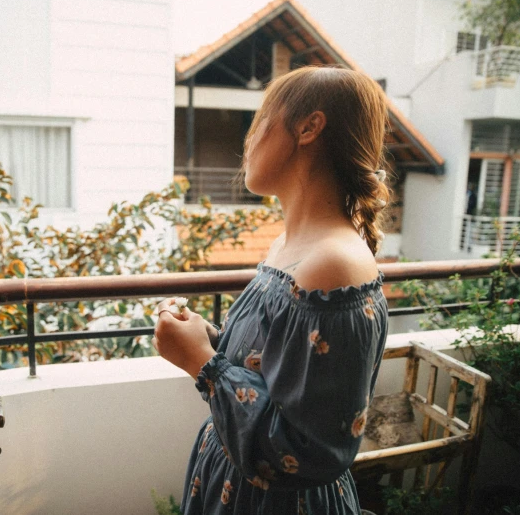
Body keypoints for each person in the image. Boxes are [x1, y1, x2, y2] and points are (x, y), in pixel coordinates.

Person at [153, 66, 390, 514]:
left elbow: (304, 451)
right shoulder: (290, 246)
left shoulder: (332, 264)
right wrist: (208, 340)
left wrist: (202, 363)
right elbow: (278, 371)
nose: (249, 140)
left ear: (309, 127)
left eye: (260, 121)